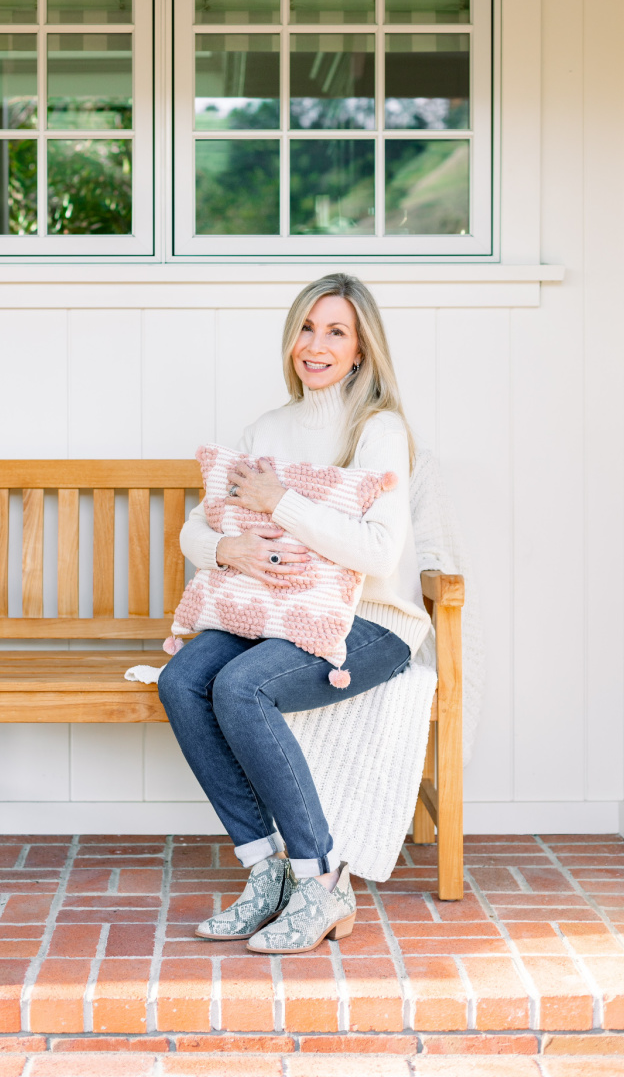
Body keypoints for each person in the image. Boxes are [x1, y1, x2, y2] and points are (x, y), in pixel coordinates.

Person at [158, 273, 432, 954]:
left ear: (362, 346)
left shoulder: (378, 428)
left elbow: (378, 550)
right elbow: (197, 530)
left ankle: (322, 881)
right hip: (274, 609)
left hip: (371, 622)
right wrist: (229, 548)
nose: (317, 345)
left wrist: (280, 502)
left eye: (336, 331)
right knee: (182, 680)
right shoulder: (266, 428)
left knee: (241, 685)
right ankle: (267, 875)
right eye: (307, 328)